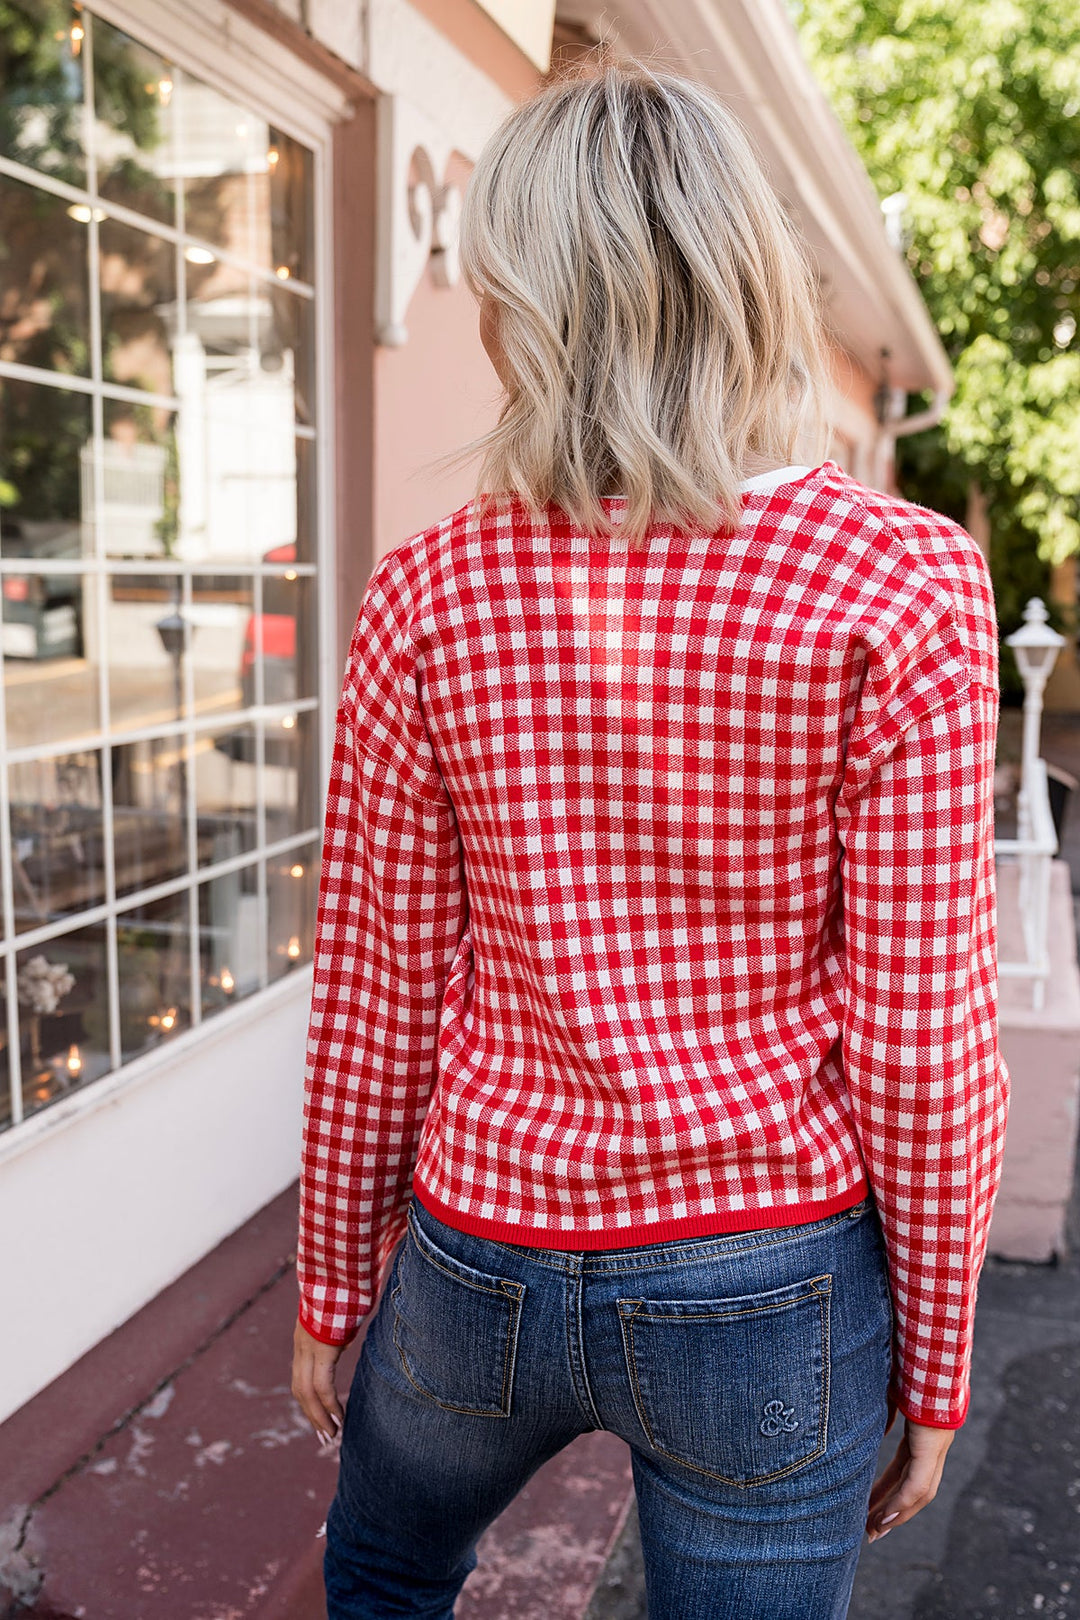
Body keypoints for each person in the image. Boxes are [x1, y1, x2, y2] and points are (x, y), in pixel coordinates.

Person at [291, 57, 1009, 1620]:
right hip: (766, 1276)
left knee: (387, 1570)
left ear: (524, 309)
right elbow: (919, 1032)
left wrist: (331, 1282)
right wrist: (939, 1353)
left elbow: (375, 986)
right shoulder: (904, 588)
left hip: (478, 1247)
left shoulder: (429, 592)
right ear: (748, 284)